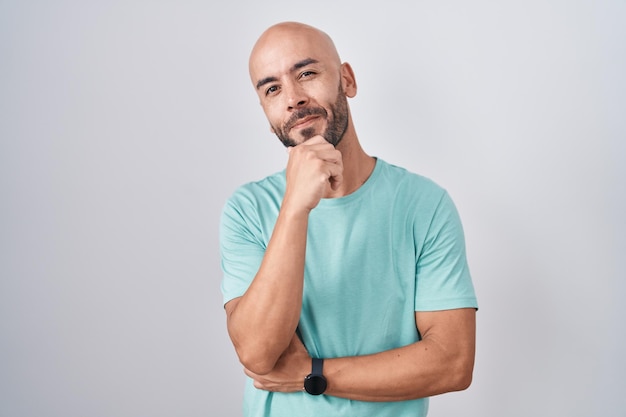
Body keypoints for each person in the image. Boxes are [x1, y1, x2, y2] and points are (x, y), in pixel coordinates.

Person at [220, 21, 478, 417]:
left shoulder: (424, 204)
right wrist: (294, 208)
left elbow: (452, 362)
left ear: (347, 80)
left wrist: (311, 374)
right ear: (265, 111)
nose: (293, 99)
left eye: (306, 73)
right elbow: (257, 353)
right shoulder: (248, 209)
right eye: (272, 89)